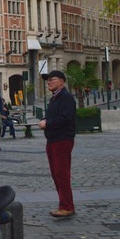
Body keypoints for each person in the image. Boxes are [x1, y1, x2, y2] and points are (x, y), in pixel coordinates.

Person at [39, 70, 77, 218]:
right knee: (56, 174)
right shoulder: (55, 98)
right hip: (53, 139)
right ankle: (64, 204)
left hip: (62, 139)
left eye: (52, 79)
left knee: (62, 174)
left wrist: (47, 123)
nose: (49, 82)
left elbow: (66, 118)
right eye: (47, 80)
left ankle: (67, 206)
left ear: (61, 81)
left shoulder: (66, 97)